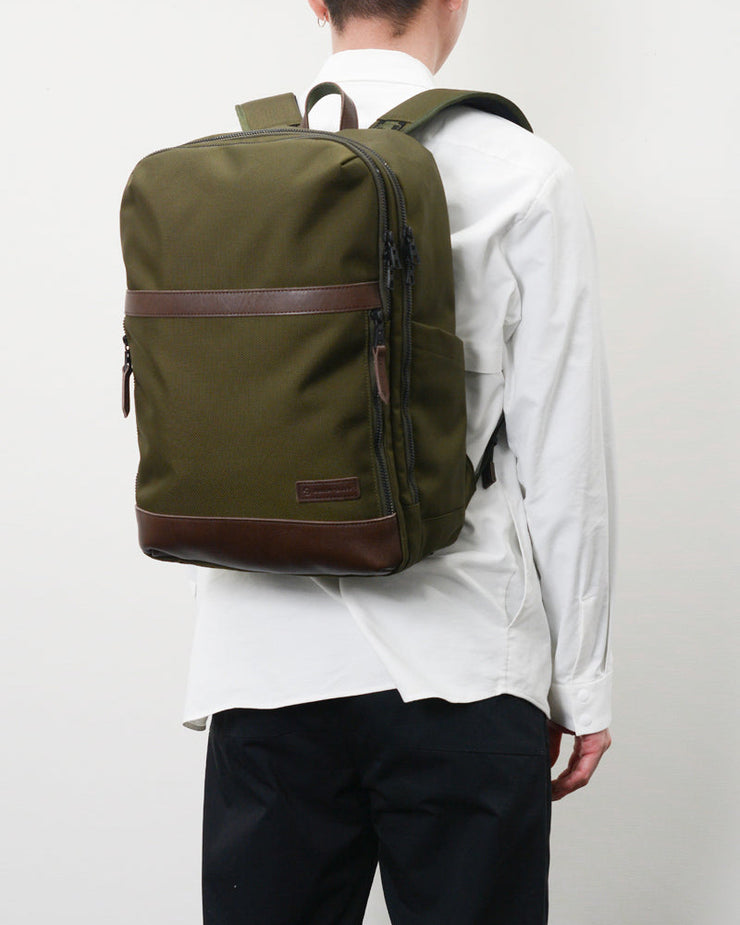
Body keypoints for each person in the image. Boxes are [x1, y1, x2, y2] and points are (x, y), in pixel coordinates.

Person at [183, 1, 616, 922]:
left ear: (316, 1)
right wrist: (581, 682)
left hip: (261, 665)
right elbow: (563, 455)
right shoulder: (522, 173)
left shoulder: (225, 171)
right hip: (460, 661)